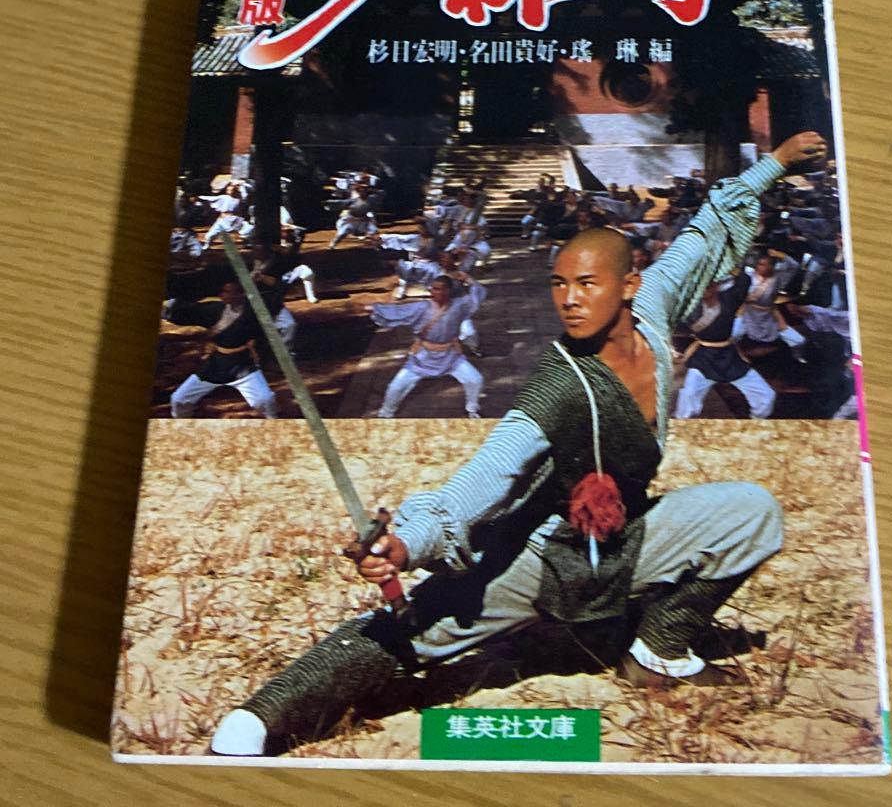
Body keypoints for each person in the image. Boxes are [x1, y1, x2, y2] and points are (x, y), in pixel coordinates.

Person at [210, 132, 826, 756]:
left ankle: (658, 653)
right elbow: (486, 477)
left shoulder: (656, 308)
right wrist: (407, 542)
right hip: (540, 554)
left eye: (586, 283)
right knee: (417, 633)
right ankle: (263, 716)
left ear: (630, 285)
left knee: (751, 511)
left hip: (624, 529)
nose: (570, 300)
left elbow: (702, 237)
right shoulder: (558, 387)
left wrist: (773, 165)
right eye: (558, 284)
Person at [370, 273, 486, 419]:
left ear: (448, 291)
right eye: (433, 288)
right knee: (396, 386)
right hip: (422, 357)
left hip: (450, 356)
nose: (433, 292)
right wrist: (374, 308)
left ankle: (472, 409)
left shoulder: (459, 305)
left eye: (438, 289)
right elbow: (397, 311)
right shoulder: (422, 307)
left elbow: (477, 294)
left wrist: (469, 279)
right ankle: (386, 412)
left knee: (475, 380)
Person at [164, 281, 277, 418]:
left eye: (228, 292)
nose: (222, 295)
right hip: (215, 366)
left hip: (242, 365)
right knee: (178, 399)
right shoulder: (215, 308)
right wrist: (172, 307)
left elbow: (270, 313)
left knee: (265, 399)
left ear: (240, 294)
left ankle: (273, 422)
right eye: (223, 291)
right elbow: (192, 312)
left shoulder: (252, 312)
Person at [672, 274, 777, 420]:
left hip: (729, 357)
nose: (704, 290)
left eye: (708, 286)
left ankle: (756, 423)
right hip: (703, 358)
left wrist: (732, 267)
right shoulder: (690, 308)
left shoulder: (729, 299)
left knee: (766, 395)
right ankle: (682, 427)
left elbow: (744, 280)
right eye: (700, 286)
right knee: (688, 397)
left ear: (716, 286)